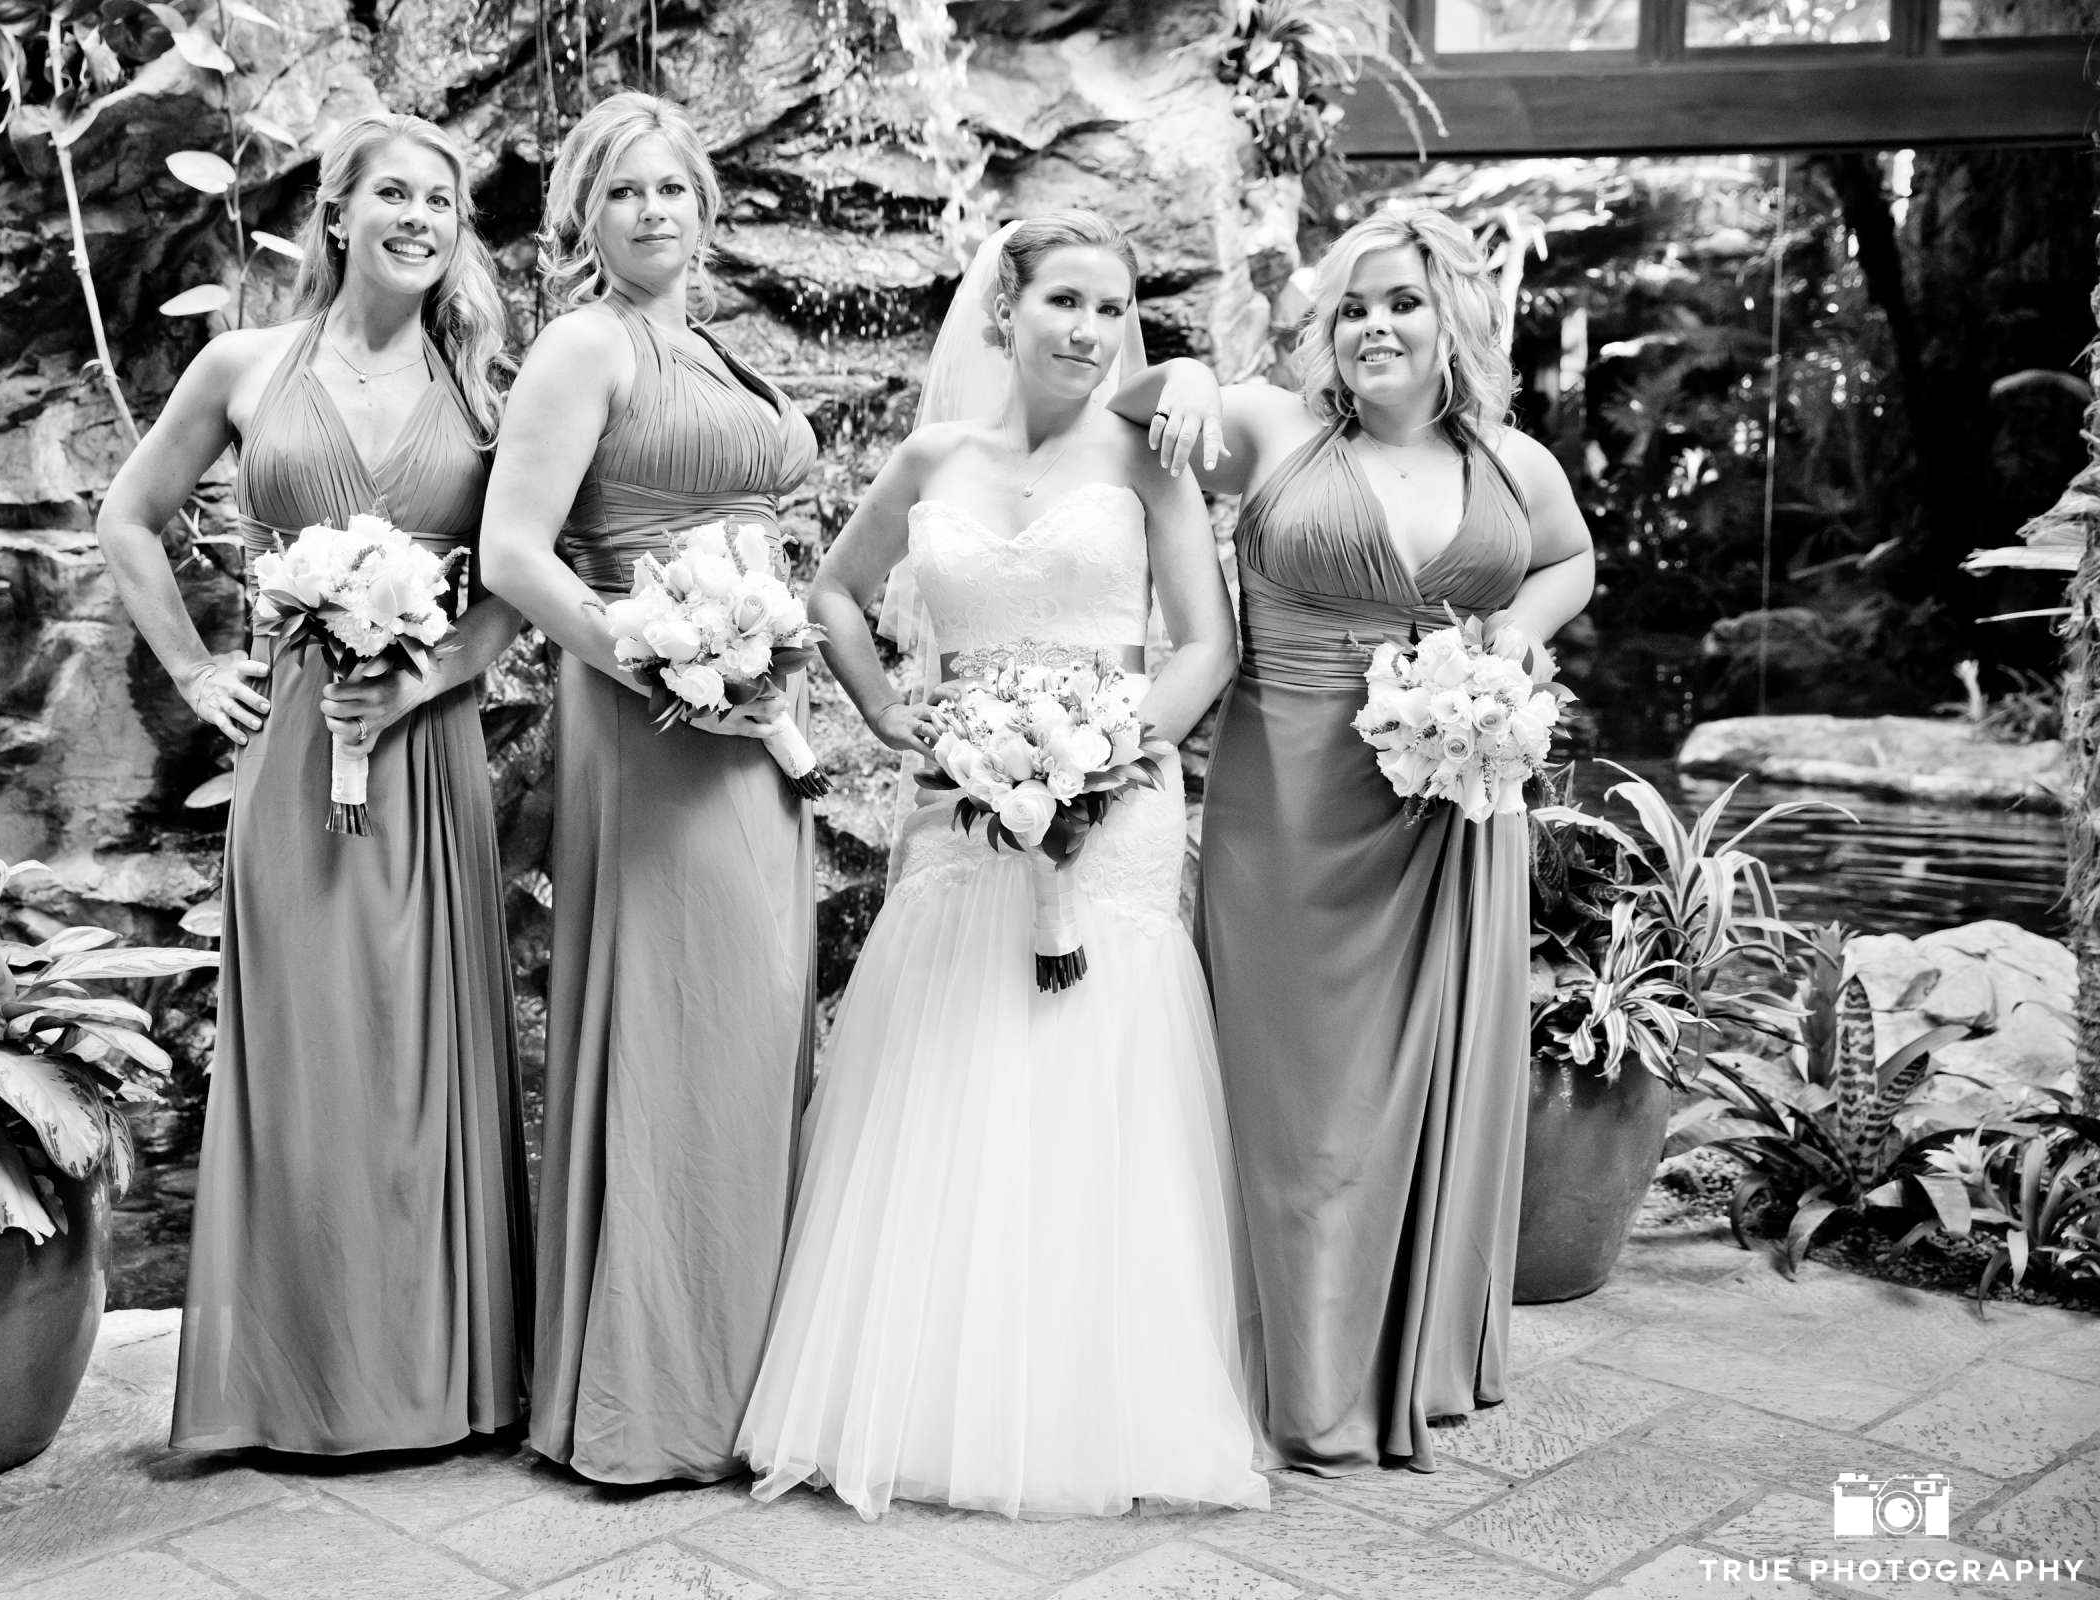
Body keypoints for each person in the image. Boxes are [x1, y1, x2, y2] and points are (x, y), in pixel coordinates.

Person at [737, 210, 1267, 1521]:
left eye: (1112, 308)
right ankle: (933, 1400)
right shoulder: (936, 456)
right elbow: (834, 595)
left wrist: (1110, 757)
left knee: (1093, 1071)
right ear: (1003, 310)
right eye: (1064, 301)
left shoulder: (1145, 456)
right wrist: (889, 713)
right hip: (962, 800)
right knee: (957, 1063)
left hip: (1114, 800)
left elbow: (1207, 642)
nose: (1090, 330)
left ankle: (1093, 1409)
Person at [1115, 210, 1595, 1475]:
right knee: (1294, 1097)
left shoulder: (1514, 465)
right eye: (1354, 307)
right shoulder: (1273, 426)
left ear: (1454, 320)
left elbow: (1570, 560)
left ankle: (1404, 1359)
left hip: (1452, 821)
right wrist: (1178, 380)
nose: (1375, 326)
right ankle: (1293, 1371)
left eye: (1403, 303)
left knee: (1425, 1086)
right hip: (1290, 808)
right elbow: (1129, 401)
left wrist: (1522, 632)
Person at [94, 113, 533, 1454]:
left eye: (441, 202)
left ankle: (435, 1379)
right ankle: (303, 1383)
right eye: (392, 193)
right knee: (310, 1047)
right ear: (336, 213)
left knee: (422, 1045)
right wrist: (192, 669)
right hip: (295, 751)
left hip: (429, 748)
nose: (419, 218)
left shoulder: (487, 387)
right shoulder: (243, 366)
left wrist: (424, 677)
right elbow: (127, 516)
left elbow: (520, 582)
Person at [480, 91, 819, 1485]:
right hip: (654, 722)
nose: (651, 210)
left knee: (755, 1027)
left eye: (671, 186)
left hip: (753, 716)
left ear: (706, 204)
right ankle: (659, 1396)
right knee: (684, 1024)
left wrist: (765, 660)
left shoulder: (714, 347)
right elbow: (514, 552)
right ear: (584, 216)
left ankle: (751, 1378)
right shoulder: (584, 344)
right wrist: (656, 659)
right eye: (621, 191)